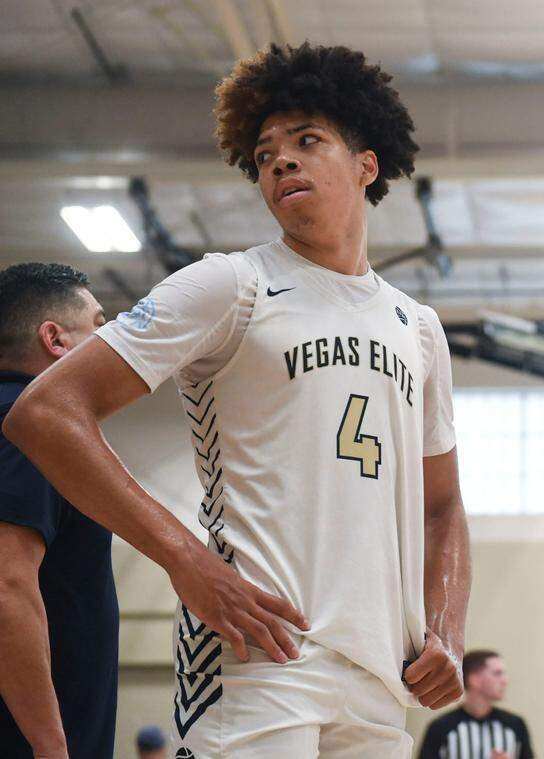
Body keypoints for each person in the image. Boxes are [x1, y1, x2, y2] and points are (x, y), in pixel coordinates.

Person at [3, 42, 471, 758]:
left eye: (307, 141)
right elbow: (44, 411)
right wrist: (184, 558)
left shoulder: (420, 329)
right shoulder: (230, 285)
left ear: (367, 164)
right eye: (264, 154)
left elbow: (443, 506)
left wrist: (446, 626)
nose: (280, 160)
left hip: (381, 673)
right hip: (256, 661)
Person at [0, 263, 114, 759]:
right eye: (99, 324)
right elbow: (6, 588)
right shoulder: (27, 427)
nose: (113, 339)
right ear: (56, 339)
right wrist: (50, 749)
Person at [418, 651, 535, 759]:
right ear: (474, 679)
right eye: (497, 673)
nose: (505, 680)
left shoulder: (515, 725)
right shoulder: (441, 727)